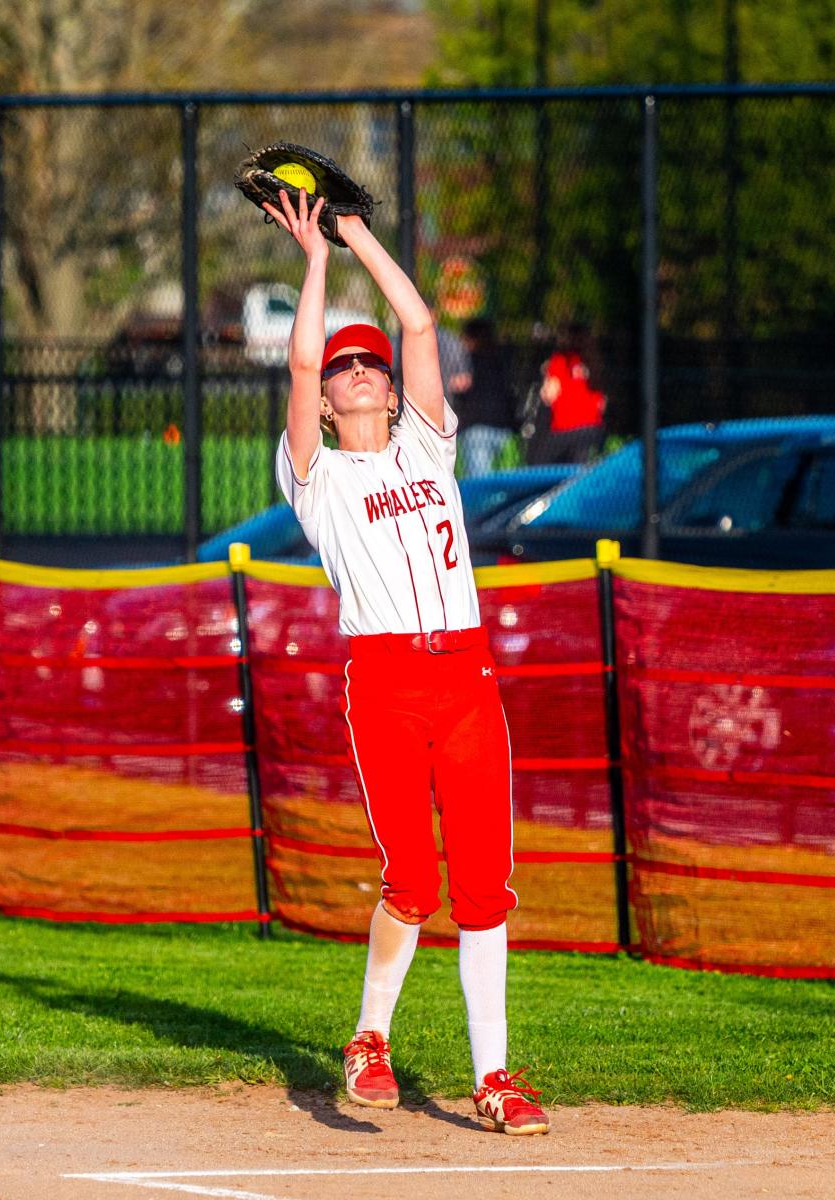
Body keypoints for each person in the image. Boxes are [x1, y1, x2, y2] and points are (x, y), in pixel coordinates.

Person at [265, 185, 550, 1137]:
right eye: (342, 368)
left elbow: (418, 320)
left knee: (483, 884)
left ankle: (496, 1074)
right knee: (411, 880)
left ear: (390, 390)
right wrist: (313, 262)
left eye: (366, 366)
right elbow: (301, 361)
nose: (351, 371)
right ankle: (370, 1039)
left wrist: (356, 235)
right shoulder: (317, 479)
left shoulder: (429, 452)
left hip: (466, 679)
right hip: (383, 681)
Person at [453, 317, 520, 477]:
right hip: (501, 426)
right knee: (506, 483)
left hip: (478, 428)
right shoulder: (503, 360)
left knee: (481, 482)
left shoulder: (466, 361)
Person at [534, 322, 607, 464]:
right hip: (592, 427)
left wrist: (544, 385)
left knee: (541, 464)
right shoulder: (594, 362)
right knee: (581, 471)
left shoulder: (559, 360)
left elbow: (549, 395)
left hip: (565, 427)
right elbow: (602, 404)